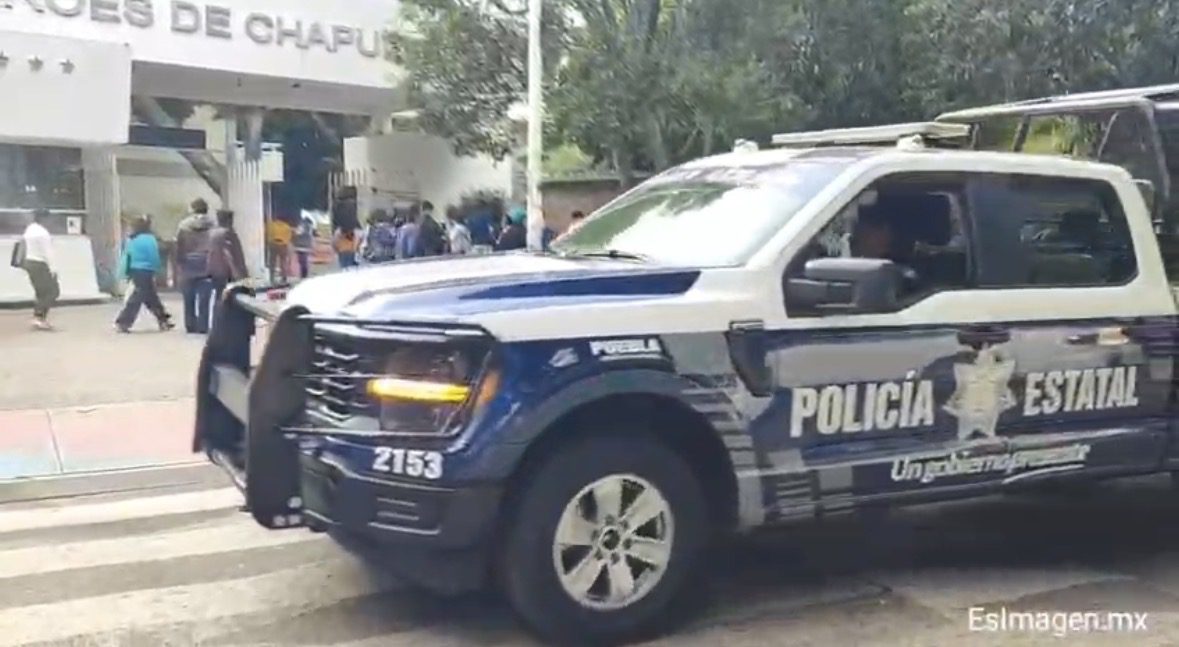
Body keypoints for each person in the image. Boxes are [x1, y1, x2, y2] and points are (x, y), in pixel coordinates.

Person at [115, 215, 175, 333]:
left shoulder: (132, 240)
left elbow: (127, 257)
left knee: (146, 295)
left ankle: (124, 322)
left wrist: (125, 272)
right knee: (144, 296)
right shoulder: (151, 239)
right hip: (148, 270)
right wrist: (156, 268)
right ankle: (162, 319)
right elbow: (154, 256)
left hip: (136, 270)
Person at [175, 198, 215, 334]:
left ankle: (190, 325)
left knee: (188, 297)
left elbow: (178, 246)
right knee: (204, 298)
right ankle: (203, 326)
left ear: (192, 209)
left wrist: (179, 263)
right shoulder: (213, 225)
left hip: (188, 264)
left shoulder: (183, 226)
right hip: (206, 263)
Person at [18, 208, 59, 331]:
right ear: (44, 218)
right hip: (40, 263)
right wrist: (54, 269)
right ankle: (39, 317)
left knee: (40, 291)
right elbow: (48, 252)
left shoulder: (29, 229)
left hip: (29, 262)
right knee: (52, 291)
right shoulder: (43, 233)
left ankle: (39, 317)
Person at [208, 209, 247, 308]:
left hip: (216, 272)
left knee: (219, 296)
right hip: (228, 273)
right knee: (230, 298)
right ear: (229, 220)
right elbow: (228, 254)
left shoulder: (212, 233)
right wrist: (237, 273)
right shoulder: (228, 233)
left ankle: (218, 315)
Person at [267, 216, 293, 284]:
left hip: (273, 244)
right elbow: (289, 237)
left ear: (277, 219)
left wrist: (269, 242)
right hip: (283, 245)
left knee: (272, 262)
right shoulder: (287, 227)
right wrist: (285, 243)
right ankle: (284, 278)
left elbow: (269, 234)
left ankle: (272, 278)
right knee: (283, 262)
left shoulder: (272, 225)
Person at [292, 213, 316, 279]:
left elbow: (298, 232)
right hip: (306, 245)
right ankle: (304, 274)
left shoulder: (303, 225)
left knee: (302, 261)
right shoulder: (310, 226)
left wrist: (294, 231)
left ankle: (303, 274)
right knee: (304, 261)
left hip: (301, 245)